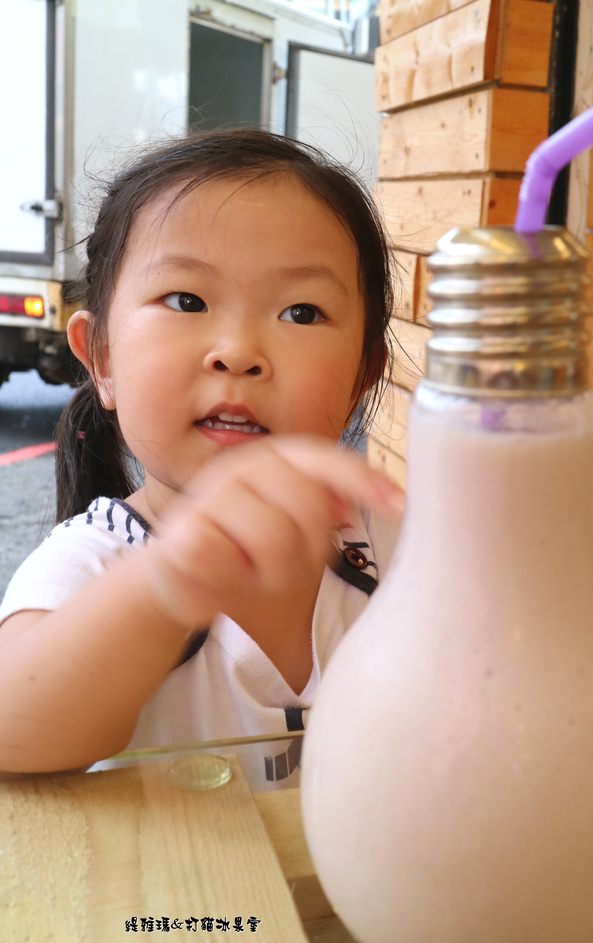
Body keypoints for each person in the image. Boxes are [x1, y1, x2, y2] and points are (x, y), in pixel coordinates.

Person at [0, 129, 403, 786]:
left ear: (363, 372)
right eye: (186, 300)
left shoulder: (390, 544)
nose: (238, 351)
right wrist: (166, 585)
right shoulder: (96, 563)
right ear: (102, 357)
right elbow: (11, 730)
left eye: (302, 311)